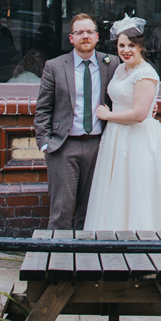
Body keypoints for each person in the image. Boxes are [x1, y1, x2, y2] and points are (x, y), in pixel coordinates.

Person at [82, 16, 161, 239]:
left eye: (131, 45)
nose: (126, 50)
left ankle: (144, 245)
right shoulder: (120, 69)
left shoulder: (146, 73)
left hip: (139, 140)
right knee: (118, 192)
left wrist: (108, 115)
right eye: (121, 45)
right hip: (116, 138)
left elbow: (139, 114)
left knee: (139, 190)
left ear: (141, 47)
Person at [35, 13, 117, 229]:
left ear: (97, 36)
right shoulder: (54, 66)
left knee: (91, 210)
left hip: (99, 145)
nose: (85, 36)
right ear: (71, 38)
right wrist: (45, 143)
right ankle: (57, 259)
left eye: (89, 31)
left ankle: (86, 259)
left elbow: (128, 92)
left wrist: (149, 106)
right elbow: (43, 108)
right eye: (79, 32)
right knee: (61, 210)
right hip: (64, 146)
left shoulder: (112, 63)